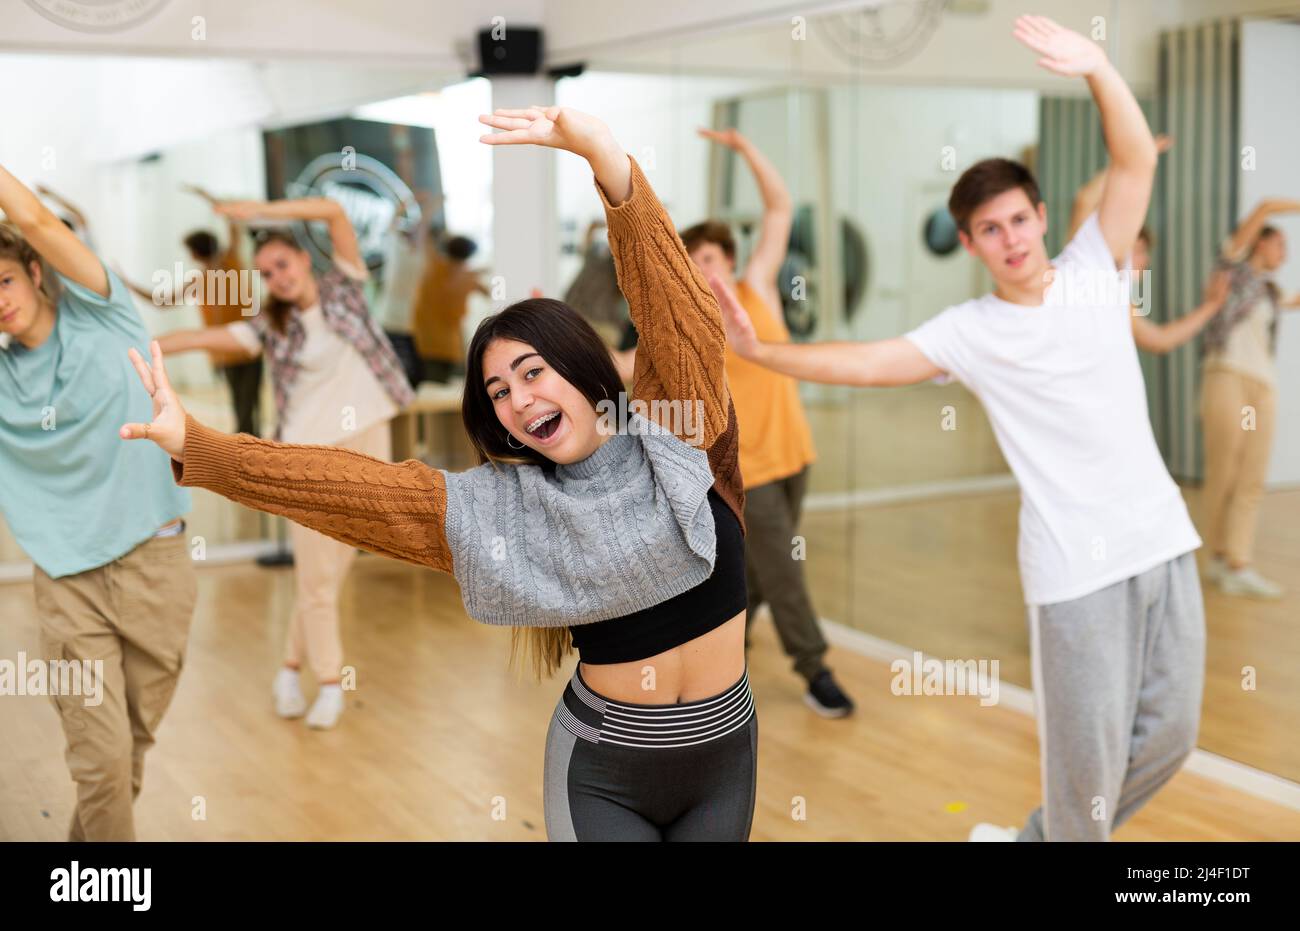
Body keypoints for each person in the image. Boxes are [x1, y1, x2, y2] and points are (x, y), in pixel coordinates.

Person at [123, 106, 757, 841]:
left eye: (532, 372)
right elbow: (353, 490)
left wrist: (608, 164)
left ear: (583, 369)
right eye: (499, 393)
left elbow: (674, 310)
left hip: (725, 759)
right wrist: (203, 447)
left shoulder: (683, 437)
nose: (519, 400)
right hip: (603, 773)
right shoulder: (505, 510)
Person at [720, 16, 1204, 842]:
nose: (1009, 238)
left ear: (1042, 217)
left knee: (1170, 736)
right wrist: (760, 349)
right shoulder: (969, 330)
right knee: (1085, 776)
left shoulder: (1094, 270)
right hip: (1072, 571)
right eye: (989, 229)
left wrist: (1096, 66)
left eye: (1018, 219)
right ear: (972, 243)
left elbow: (1135, 158)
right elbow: (867, 363)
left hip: (1160, 539)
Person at [151, 196, 414, 729]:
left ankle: (288, 670)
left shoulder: (346, 288)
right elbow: (202, 337)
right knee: (317, 580)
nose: (276, 277)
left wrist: (259, 211)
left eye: (282, 264)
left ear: (303, 260)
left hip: (369, 437)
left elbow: (336, 213)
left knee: (332, 573)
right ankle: (328, 684)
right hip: (308, 458)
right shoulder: (269, 325)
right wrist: (141, 344)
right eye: (266, 272)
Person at [1, 163, 196, 841]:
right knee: (102, 757)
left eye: (2, 280)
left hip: (158, 561)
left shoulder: (105, 311)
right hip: (67, 581)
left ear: (31, 269)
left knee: (130, 749)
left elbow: (33, 218)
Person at [679, 126, 852, 716]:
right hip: (748, 473)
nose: (703, 270)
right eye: (690, 263)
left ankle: (723, 660)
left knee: (755, 571)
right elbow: (628, 365)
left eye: (708, 258)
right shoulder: (691, 329)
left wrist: (748, 148)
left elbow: (779, 208)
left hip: (795, 454)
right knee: (784, 573)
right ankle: (815, 670)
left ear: (727, 260)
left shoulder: (757, 292)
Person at [1198, 198, 1300, 597]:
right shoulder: (1233, 269)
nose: (1284, 254)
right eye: (1279, 245)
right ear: (1259, 243)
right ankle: (1215, 556)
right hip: (1227, 377)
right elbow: (1265, 206)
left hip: (1263, 386)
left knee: (1252, 475)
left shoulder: (1272, 292)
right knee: (1224, 469)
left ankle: (1238, 562)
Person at [1066, 138, 1230, 357]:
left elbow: (1161, 340)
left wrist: (1211, 306)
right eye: (1138, 250)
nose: (1145, 261)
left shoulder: (1118, 300)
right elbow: (1085, 200)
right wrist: (1137, 159)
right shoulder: (1083, 271)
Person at [121, 185, 262, 436]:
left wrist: (206, 196)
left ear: (195, 252)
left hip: (240, 347)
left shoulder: (221, 267)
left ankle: (248, 453)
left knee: (244, 409)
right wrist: (206, 197)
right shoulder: (225, 265)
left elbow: (159, 301)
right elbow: (160, 301)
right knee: (246, 407)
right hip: (235, 350)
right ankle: (248, 449)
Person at [412, 234, 489, 384]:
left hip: (425, 340)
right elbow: (491, 293)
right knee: (454, 389)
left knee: (430, 388)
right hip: (450, 346)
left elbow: (424, 240)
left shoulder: (434, 266)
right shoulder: (468, 278)